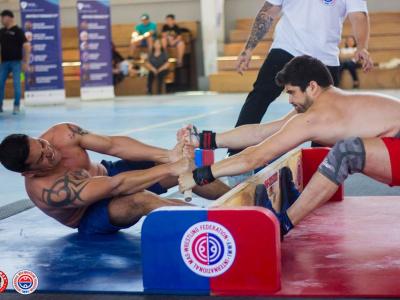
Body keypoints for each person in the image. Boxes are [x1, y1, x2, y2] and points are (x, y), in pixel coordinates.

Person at [177, 55, 400, 239]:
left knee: (346, 152)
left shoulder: (317, 116)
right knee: (347, 150)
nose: (290, 100)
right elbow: (260, 132)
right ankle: (290, 213)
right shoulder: (322, 104)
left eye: (292, 92)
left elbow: (254, 158)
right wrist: (203, 140)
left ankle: (281, 224)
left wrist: (199, 176)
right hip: (393, 144)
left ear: (312, 87)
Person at [0, 123, 230, 235]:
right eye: (41, 157)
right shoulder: (50, 190)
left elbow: (115, 145)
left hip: (108, 173)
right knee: (140, 199)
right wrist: (170, 167)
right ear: (28, 173)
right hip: (89, 214)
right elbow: (115, 186)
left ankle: (242, 201)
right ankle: (216, 222)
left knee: (183, 170)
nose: (47, 150)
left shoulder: (62, 134)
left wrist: (167, 157)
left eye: (41, 143)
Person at [229, 0, 373, 158]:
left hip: (325, 57)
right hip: (287, 46)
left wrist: (362, 47)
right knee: (260, 95)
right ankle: (236, 153)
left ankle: (319, 162)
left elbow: (359, 16)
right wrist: (248, 48)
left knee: (325, 114)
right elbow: (268, 12)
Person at [0, 10, 30, 114]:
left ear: (9, 18)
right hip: (4, 63)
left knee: (17, 84)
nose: (1, 20)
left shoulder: (18, 31)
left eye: (2, 17)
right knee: (0, 83)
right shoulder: (2, 31)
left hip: (17, 62)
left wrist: (25, 61)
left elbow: (26, 46)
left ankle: (16, 106)